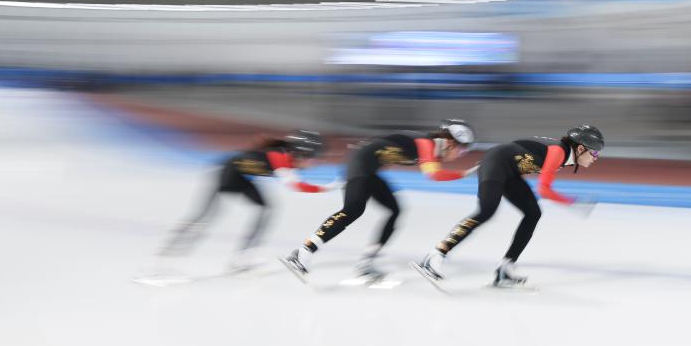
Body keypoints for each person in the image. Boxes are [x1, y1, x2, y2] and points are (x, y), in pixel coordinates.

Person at [280, 119, 478, 282]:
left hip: (365, 167)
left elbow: (382, 146)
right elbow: (434, 175)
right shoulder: (426, 144)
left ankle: (366, 261)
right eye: (462, 151)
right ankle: (303, 253)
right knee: (353, 210)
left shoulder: (430, 148)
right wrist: (467, 172)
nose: (460, 155)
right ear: (451, 142)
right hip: (360, 165)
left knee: (393, 210)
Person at [415, 124, 604, 288]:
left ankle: (505, 269)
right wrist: (572, 203)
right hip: (495, 163)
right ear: (580, 149)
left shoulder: (566, 157)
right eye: (594, 152)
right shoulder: (559, 152)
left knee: (533, 213)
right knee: (486, 211)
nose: (595, 158)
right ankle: (435, 256)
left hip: (510, 171)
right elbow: (544, 189)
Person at [152, 130, 336, 275]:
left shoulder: (290, 158)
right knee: (204, 216)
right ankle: (164, 256)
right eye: (314, 157)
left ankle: (242, 258)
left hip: (242, 177)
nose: (315, 162)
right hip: (227, 172)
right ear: (302, 152)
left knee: (266, 209)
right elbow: (295, 185)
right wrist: (328, 188)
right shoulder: (279, 156)